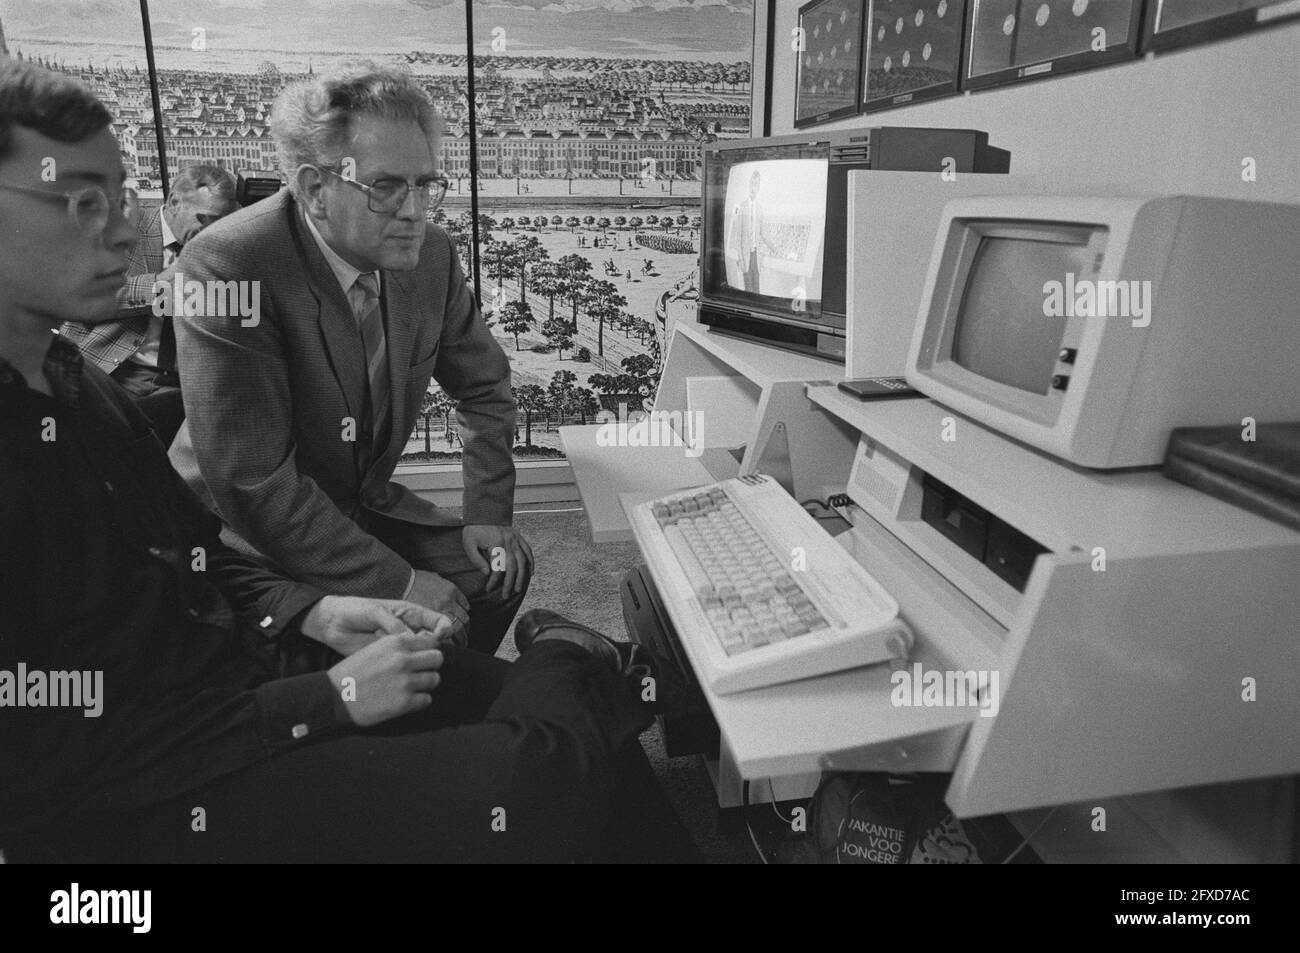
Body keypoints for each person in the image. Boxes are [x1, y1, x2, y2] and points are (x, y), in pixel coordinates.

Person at [0, 59, 697, 864]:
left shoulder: (75, 378)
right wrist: (320, 701)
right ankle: (575, 659)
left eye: (121, 195)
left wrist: (314, 614)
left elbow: (188, 562)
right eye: (83, 199)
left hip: (243, 646)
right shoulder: (224, 268)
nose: (127, 230)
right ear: (314, 187)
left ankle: (570, 677)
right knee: (537, 767)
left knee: (545, 720)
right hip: (177, 760)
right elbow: (55, 757)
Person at [167, 64, 532, 656]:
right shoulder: (227, 265)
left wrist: (486, 509)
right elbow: (251, 482)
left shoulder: (431, 255)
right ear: (314, 189)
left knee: (497, 569)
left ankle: (432, 709)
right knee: (419, 617)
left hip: (358, 502)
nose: (415, 210)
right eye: (386, 187)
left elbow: (485, 386)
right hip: (238, 534)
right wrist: (402, 582)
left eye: (425, 185)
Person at [59, 163, 238, 400]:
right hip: (115, 371)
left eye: (223, 221)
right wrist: (159, 288)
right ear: (175, 202)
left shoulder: (224, 245)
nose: (212, 230)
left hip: (184, 380)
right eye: (205, 219)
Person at [727, 169, 772, 293]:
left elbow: (764, 234)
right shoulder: (741, 207)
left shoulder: (760, 209)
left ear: (759, 188)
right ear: (748, 186)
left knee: (757, 289)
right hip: (745, 257)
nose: (753, 188)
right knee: (748, 290)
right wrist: (740, 259)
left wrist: (775, 248)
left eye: (756, 185)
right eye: (752, 184)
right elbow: (737, 236)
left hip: (756, 257)